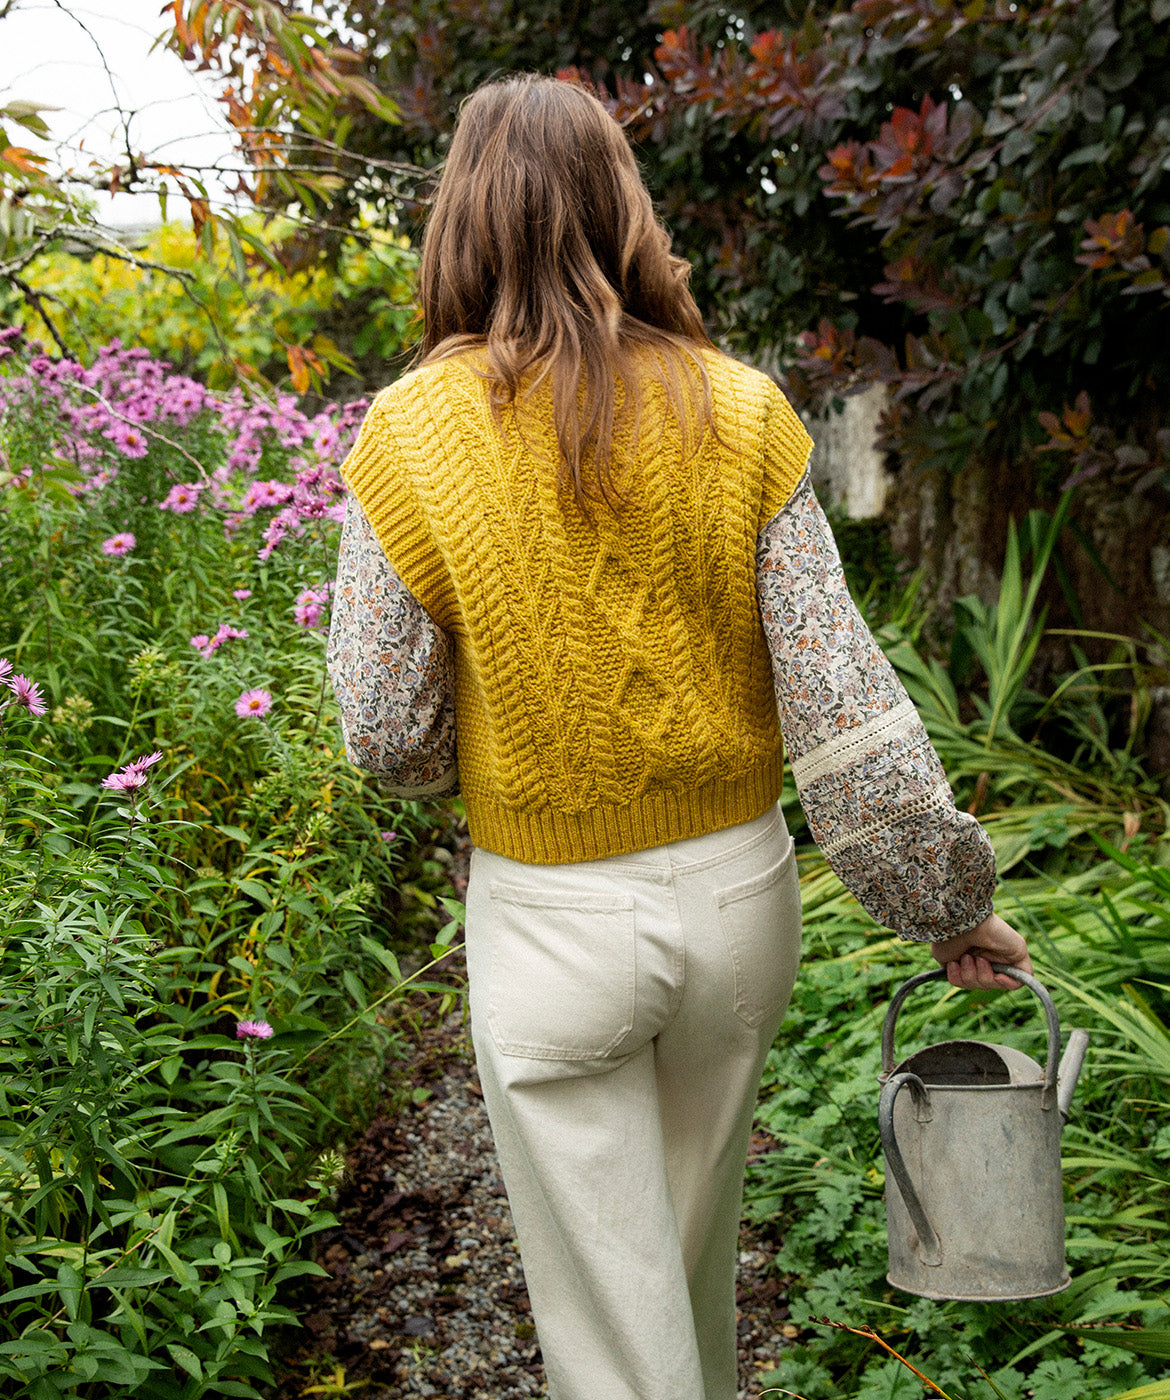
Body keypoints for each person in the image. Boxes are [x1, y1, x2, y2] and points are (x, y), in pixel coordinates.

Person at [326, 73, 1032, 1400]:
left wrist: (489, 748)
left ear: (458, 221)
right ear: (620, 210)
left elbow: (382, 733)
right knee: (689, 1277)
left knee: (612, 1337)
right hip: (732, 911)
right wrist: (947, 903)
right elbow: (843, 709)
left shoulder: (409, 433)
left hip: (546, 923)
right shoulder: (738, 409)